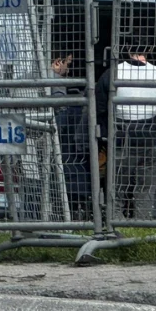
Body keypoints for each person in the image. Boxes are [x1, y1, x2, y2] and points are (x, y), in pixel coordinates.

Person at [96, 43, 156, 220]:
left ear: (128, 49)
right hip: (151, 139)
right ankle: (141, 229)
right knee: (145, 191)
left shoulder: (113, 73)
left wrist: (105, 134)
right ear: (150, 49)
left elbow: (99, 107)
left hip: (121, 139)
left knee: (117, 191)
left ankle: (115, 227)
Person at [49, 54, 91, 221]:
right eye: (68, 63)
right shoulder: (56, 82)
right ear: (58, 62)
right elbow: (60, 114)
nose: (69, 68)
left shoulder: (33, 75)